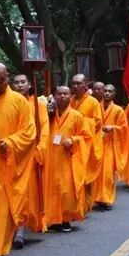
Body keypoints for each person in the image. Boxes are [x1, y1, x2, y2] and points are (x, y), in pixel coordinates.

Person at [0, 62, 36, 256]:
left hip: (5, 163)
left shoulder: (19, 102)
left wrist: (10, 142)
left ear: (7, 77)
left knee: (2, 209)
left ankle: (1, 251)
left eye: (0, 81)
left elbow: (29, 132)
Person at [43, 86, 90, 232]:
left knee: (66, 190)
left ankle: (65, 219)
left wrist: (73, 140)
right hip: (50, 157)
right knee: (50, 188)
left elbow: (87, 137)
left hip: (67, 159)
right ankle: (53, 219)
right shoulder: (49, 115)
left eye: (65, 93)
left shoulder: (77, 116)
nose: (62, 96)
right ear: (54, 96)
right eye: (59, 94)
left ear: (70, 96)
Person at [11, 74, 49, 247]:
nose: (19, 85)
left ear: (29, 85)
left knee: (25, 193)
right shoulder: (9, 102)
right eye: (16, 82)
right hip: (10, 153)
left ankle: (20, 229)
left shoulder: (37, 104)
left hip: (29, 154)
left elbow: (44, 128)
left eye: (23, 82)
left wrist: (40, 149)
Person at [69, 73, 103, 212]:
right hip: (73, 142)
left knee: (86, 174)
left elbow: (98, 122)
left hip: (87, 143)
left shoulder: (93, 102)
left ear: (86, 85)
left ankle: (85, 203)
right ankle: (77, 204)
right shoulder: (70, 100)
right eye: (74, 83)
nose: (75, 86)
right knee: (75, 174)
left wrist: (82, 124)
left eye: (79, 83)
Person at [92, 83, 127, 210]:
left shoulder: (118, 110)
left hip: (110, 145)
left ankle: (106, 199)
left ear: (114, 94)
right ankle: (97, 198)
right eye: (105, 91)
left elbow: (124, 129)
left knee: (107, 174)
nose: (107, 93)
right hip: (97, 144)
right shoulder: (96, 106)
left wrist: (113, 127)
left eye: (109, 91)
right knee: (97, 172)